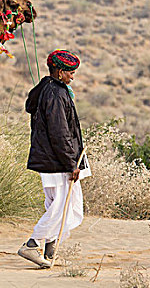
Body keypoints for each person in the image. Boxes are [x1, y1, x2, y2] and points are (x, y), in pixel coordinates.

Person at [18, 49, 91, 268]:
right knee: (64, 207)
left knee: (56, 205)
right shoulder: (56, 94)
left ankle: (49, 250)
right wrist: (71, 164)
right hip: (57, 161)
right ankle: (32, 245)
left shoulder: (47, 88)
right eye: (69, 72)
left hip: (51, 160)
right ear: (59, 72)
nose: (72, 77)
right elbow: (60, 133)